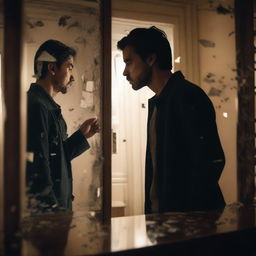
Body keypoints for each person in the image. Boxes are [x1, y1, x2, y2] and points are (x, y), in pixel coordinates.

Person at [117, 26, 226, 214]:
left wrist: (184, 218)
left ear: (151, 59)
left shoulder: (187, 96)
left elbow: (210, 163)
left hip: (190, 227)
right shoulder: (160, 102)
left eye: (129, 62)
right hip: (167, 223)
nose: (125, 72)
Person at [26, 39, 99, 212]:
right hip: (49, 215)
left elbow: (54, 158)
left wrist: (81, 136)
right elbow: (39, 170)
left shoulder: (47, 107)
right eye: (69, 67)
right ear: (52, 68)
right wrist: (54, 213)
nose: (72, 76)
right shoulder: (36, 106)